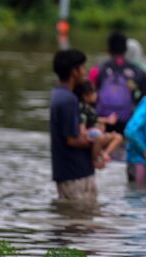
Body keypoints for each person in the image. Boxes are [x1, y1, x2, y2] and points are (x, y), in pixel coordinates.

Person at [49, 49, 96, 201]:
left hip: (66, 172)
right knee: (83, 219)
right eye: (82, 68)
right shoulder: (69, 99)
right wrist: (97, 142)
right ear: (74, 71)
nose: (84, 71)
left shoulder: (57, 94)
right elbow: (71, 139)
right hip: (76, 173)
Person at [95, 31, 146, 134]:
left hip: (104, 123)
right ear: (126, 49)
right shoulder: (138, 72)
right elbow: (145, 100)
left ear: (108, 50)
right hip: (129, 123)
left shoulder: (98, 70)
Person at [74, 81, 123, 168]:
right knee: (99, 136)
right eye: (94, 92)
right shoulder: (82, 108)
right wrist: (86, 133)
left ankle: (105, 153)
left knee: (118, 137)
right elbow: (82, 126)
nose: (96, 94)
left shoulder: (90, 108)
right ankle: (95, 160)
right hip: (89, 134)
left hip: (96, 133)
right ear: (86, 96)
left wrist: (107, 120)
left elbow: (95, 119)